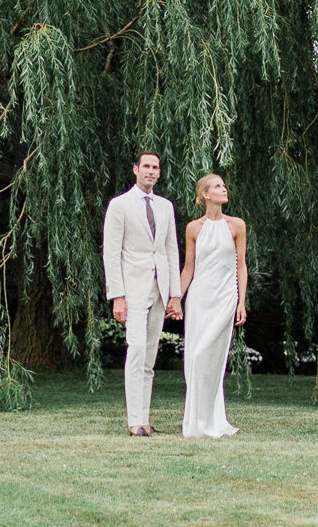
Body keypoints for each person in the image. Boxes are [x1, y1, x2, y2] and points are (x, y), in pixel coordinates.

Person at [101, 151, 183, 436]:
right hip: (132, 289)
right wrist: (117, 296)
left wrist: (175, 294)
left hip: (160, 290)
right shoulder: (119, 205)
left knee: (149, 355)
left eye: (155, 167)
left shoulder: (165, 207)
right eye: (146, 166)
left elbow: (171, 250)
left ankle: (145, 420)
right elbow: (111, 253)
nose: (151, 171)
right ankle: (134, 420)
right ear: (135, 170)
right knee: (135, 350)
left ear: (159, 173)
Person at [179, 172, 247, 438]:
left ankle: (212, 420)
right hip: (199, 299)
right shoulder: (193, 228)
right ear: (205, 195)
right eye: (217, 186)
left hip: (225, 298)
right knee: (194, 359)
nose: (223, 189)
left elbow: (241, 265)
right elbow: (188, 268)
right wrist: (177, 299)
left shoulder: (237, 225)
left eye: (224, 185)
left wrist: (241, 301)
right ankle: (197, 421)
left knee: (208, 357)